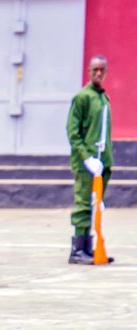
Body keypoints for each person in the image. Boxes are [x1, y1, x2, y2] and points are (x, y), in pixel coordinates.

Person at [66, 55, 115, 265]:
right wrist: (86, 158)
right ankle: (77, 250)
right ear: (88, 71)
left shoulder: (103, 98)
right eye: (94, 70)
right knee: (83, 204)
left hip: (102, 161)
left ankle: (88, 246)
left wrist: (106, 161)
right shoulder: (82, 97)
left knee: (95, 205)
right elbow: (73, 131)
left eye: (101, 70)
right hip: (87, 163)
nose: (98, 74)